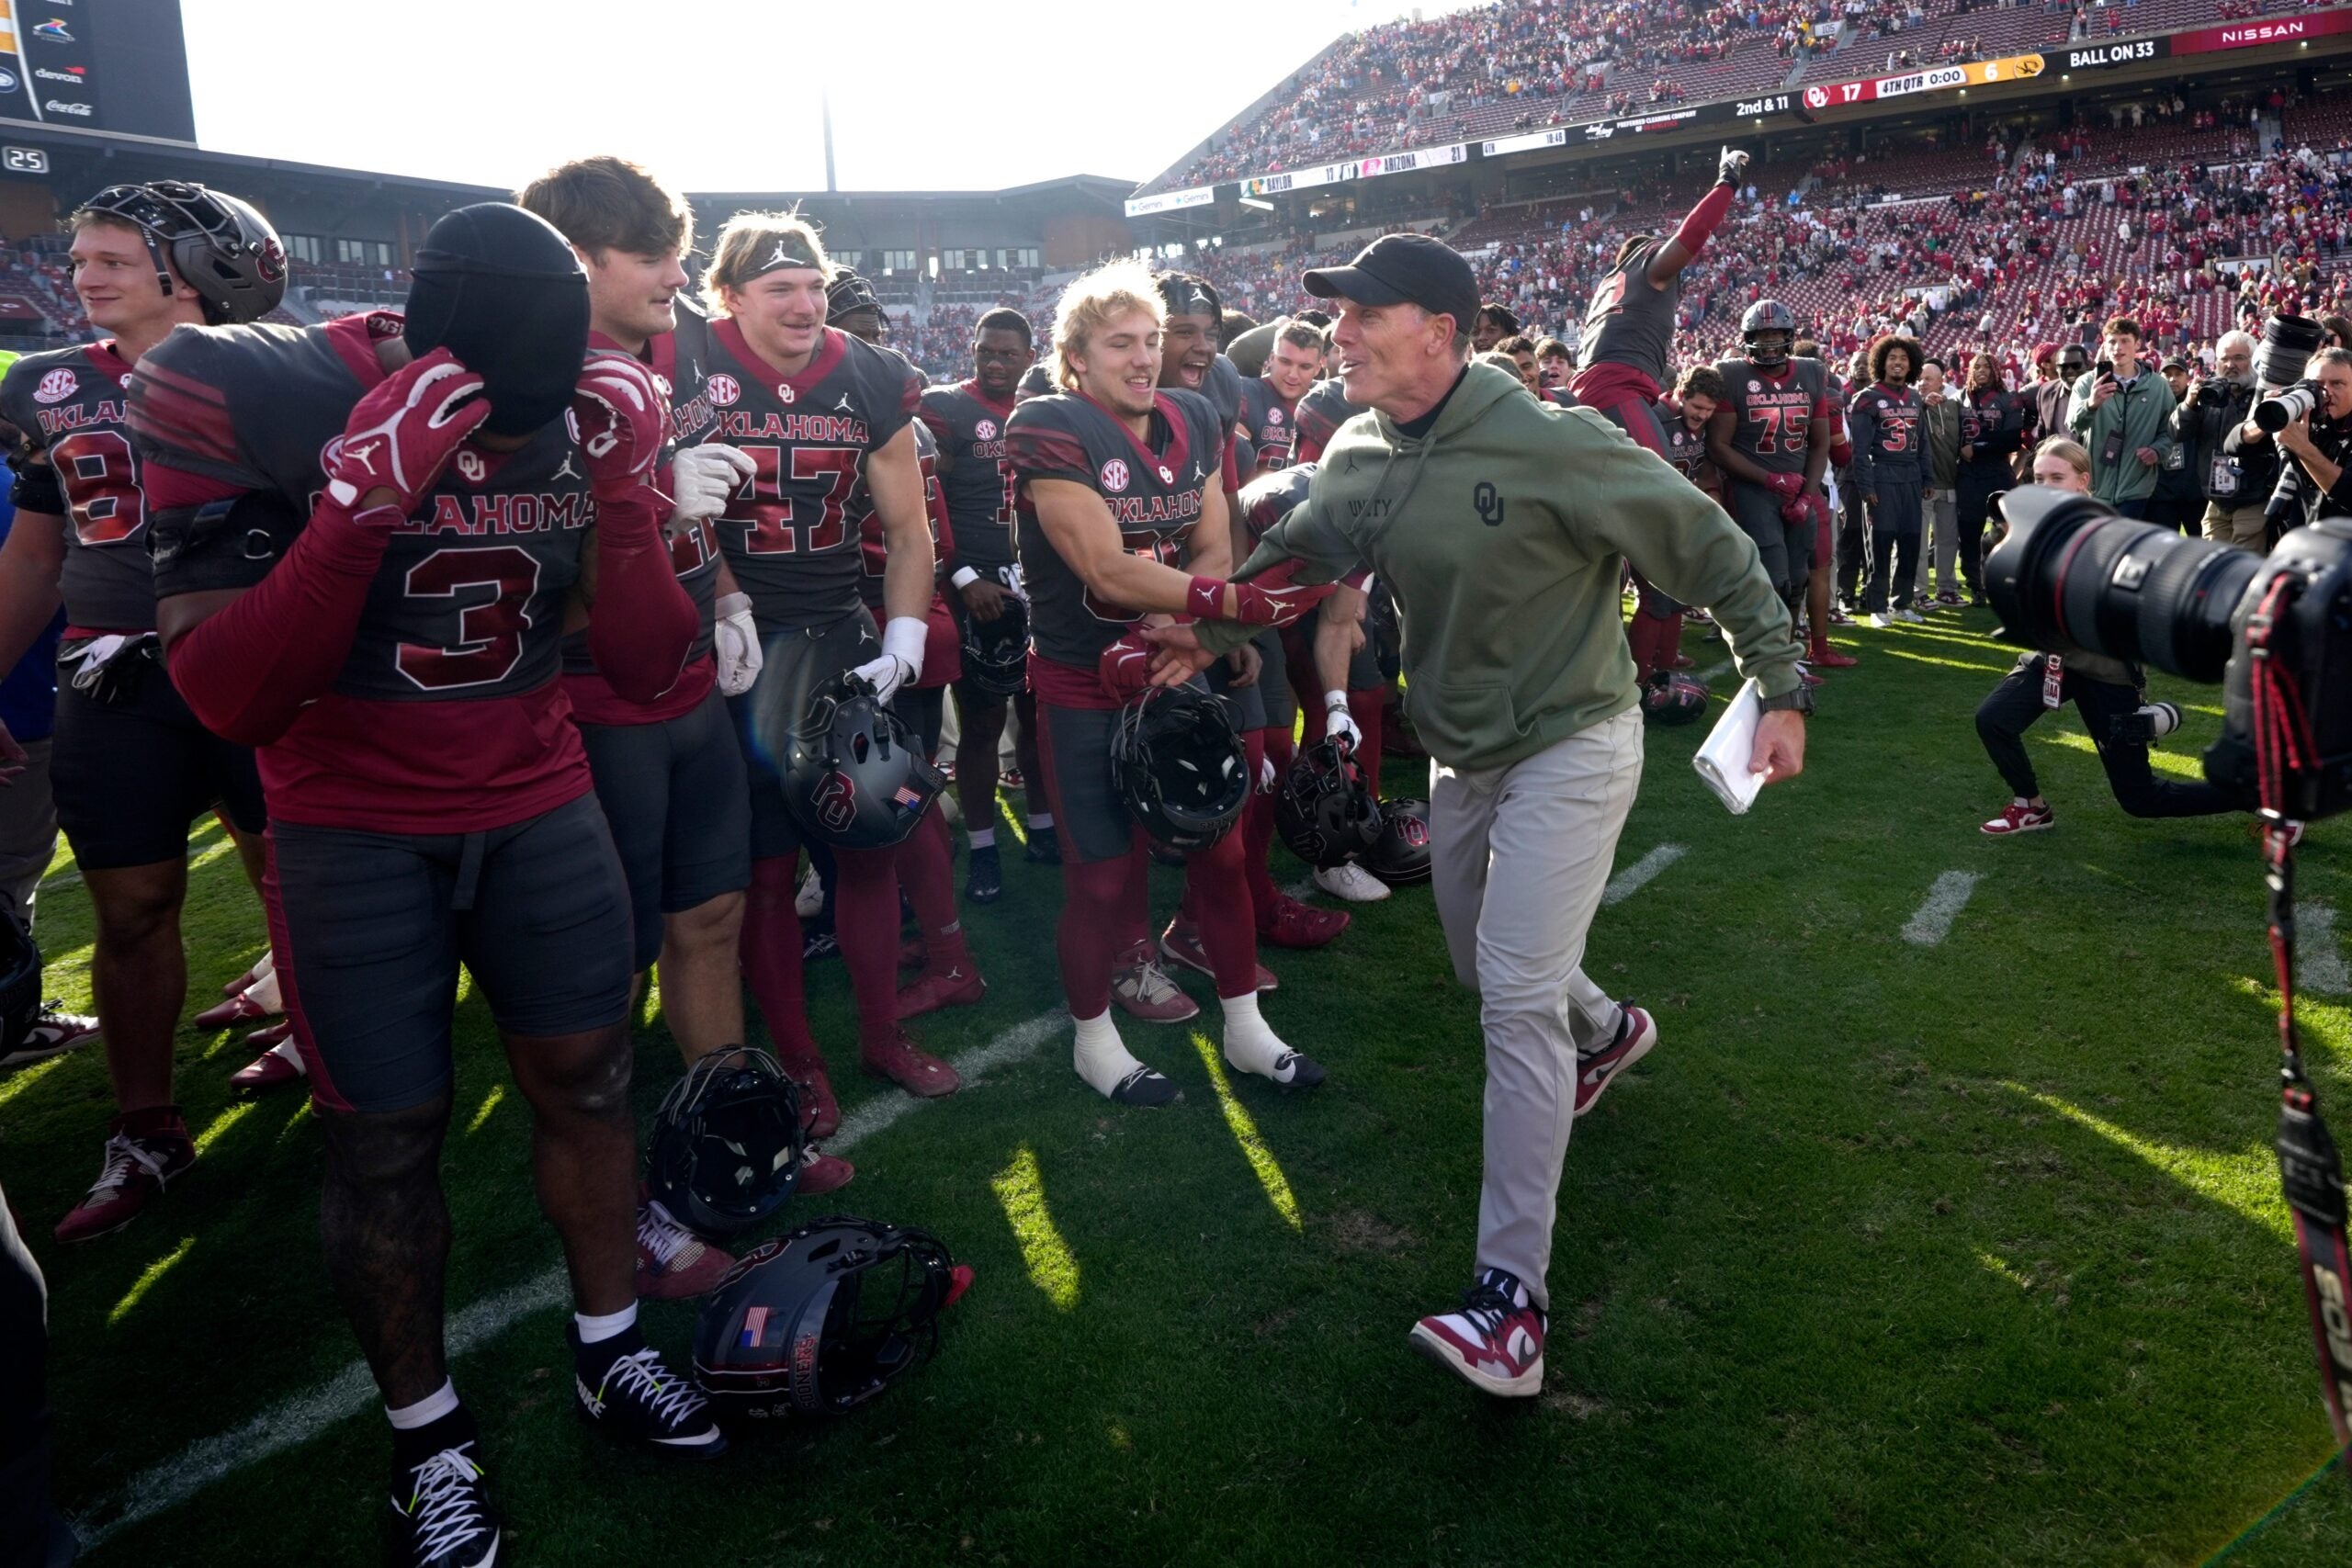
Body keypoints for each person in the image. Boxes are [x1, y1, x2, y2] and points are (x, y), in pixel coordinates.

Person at [129, 200, 721, 1564]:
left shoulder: (593, 395)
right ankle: (428, 1433)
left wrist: (627, 495)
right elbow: (225, 692)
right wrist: (353, 506)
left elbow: (641, 663)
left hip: (538, 790)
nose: (522, 436)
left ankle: (609, 1342)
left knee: (590, 1078)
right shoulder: (243, 380)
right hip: (350, 820)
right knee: (384, 1137)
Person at [1156, 232, 1809, 1399]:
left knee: (1510, 998)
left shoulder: (1559, 442)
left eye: (1364, 316)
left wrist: (1780, 683)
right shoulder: (1356, 448)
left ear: (1441, 334)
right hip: (1461, 757)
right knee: (1484, 969)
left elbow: (1708, 546)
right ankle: (1606, 1031)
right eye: (1336, 318)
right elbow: (1300, 560)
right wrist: (1196, 638)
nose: (1337, 337)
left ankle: (1511, 1305)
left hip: (1576, 739)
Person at [518, 158, 852, 1300]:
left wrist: (724, 596)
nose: (675, 274)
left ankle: (726, 1134)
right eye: (652, 254)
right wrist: (659, 502)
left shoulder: (660, 362)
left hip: (685, 691)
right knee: (597, 974)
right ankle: (630, 1202)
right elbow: (530, 573)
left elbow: (680, 517)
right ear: (580, 263)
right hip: (592, 699)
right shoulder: (522, 377)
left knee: (707, 916)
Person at [0, 182, 283, 1239]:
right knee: (130, 908)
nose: (84, 276)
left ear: (193, 268)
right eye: (78, 259)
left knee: (293, 884)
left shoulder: (285, 369)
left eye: (113, 257)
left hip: (254, 664)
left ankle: (339, 1065)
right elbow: (37, 554)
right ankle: (147, 1123)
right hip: (113, 676)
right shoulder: (46, 384)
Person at [1003, 260, 1321, 1106]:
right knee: (1100, 878)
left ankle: (1247, 1029)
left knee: (1219, 854)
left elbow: (1213, 539)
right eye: (1120, 344)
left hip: (1174, 668)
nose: (1143, 358)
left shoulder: (1196, 412)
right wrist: (1237, 605)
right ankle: (1093, 1038)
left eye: (1150, 340)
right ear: (1077, 357)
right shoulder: (1048, 424)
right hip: (1082, 681)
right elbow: (1106, 571)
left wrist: (1199, 634)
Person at [697, 211, 961, 1121]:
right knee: (766, 873)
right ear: (730, 296)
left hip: (834, 640)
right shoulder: (685, 360)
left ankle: (883, 1034)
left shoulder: (870, 372)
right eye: (781, 288)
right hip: (731, 654)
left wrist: (903, 638)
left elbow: (906, 530)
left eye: (814, 284)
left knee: (869, 852)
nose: (806, 303)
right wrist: (721, 594)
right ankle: (802, 1063)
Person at [826, 269, 992, 1024]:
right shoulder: (901, 414)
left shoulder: (892, 416)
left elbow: (919, 534)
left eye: (873, 327)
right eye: (852, 325)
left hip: (890, 619)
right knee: (886, 786)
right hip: (874, 616)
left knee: (904, 784)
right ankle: (911, 922)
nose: (869, 339)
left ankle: (930, 929)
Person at [1975, 438, 2242, 836]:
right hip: (2053, 660)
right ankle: (2030, 806)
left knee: (2140, 799)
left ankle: (2257, 796)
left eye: (2057, 478)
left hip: (2105, 668)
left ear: (2083, 481)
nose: (2044, 485)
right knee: (1993, 719)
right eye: (2038, 477)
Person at [918, 310, 1056, 905]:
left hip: (1043, 583)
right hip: (978, 580)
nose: (994, 363)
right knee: (980, 723)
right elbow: (925, 501)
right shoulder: (946, 406)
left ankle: (1045, 831)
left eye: (1007, 354)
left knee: (1042, 714)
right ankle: (982, 847)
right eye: (985, 352)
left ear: (1030, 355)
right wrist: (963, 573)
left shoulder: (1050, 409)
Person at [1569, 146, 1748, 452]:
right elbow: (1691, 234)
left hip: (1597, 384)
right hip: (1616, 386)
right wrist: (1726, 182)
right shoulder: (1648, 268)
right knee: (1661, 480)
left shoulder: (1609, 288)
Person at [1710, 300, 1835, 674]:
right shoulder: (1731, 375)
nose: (1767, 344)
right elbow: (1718, 446)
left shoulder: (1811, 373)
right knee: (1774, 577)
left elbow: (1820, 443)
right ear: (1748, 339)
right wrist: (1770, 479)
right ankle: (1771, 657)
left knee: (1798, 577)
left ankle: (1787, 652)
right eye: (1760, 337)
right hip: (1755, 488)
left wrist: (1807, 494)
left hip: (1799, 488)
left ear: (1788, 337)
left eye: (1775, 336)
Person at [1849, 334, 1929, 626]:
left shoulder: (1915, 397)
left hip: (1910, 477)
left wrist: (1927, 476)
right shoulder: (1866, 398)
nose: (1898, 362)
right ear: (1881, 362)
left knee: (1910, 543)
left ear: (1912, 365)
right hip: (1881, 475)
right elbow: (1859, 450)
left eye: (1903, 358)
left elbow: (1923, 443)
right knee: (1880, 544)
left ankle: (1902, 602)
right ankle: (1877, 607)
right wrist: (1866, 486)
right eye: (1892, 357)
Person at [2066, 315, 2175, 515]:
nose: (2118, 348)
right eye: (2112, 342)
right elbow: (2074, 425)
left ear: (2137, 344)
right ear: (2104, 346)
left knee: (2127, 545)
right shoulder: (2086, 383)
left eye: (2125, 340)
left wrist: (2158, 450)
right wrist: (2091, 405)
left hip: (2137, 488)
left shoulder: (2158, 386)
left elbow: (2171, 431)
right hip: (2094, 488)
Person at [2184, 330, 2274, 549]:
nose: (2230, 364)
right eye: (2224, 358)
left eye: (2239, 358)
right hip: (2216, 499)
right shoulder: (2208, 393)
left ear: (2253, 360)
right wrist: (2188, 405)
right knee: (2214, 563)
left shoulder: (2266, 394)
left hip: (2254, 496)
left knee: (2245, 565)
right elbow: (2179, 433)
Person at [1956, 352, 2027, 604]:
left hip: (1997, 470)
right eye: (1977, 367)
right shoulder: (1960, 398)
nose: (1981, 371)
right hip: (1968, 474)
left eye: (1987, 366)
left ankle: (2007, 580)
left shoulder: (2009, 399)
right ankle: (1976, 586)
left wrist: (1978, 447)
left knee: (2009, 528)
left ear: (1996, 370)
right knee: (1969, 530)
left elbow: (2012, 439)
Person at [2263, 344, 2352, 532]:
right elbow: (2234, 446)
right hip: (2306, 538)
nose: (2326, 392)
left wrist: (2303, 448)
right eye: (2317, 385)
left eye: (2337, 383)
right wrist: (2271, 412)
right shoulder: (2306, 420)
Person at [1238, 318, 1323, 474]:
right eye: (1285, 362)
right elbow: (1232, 461)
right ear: (1271, 358)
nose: (1292, 375)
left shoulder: (1324, 399)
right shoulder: (1246, 393)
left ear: (1318, 369)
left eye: (1305, 367)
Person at [1915, 356, 1963, 607]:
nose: (1922, 383)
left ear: (1941, 381)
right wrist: (1922, 404)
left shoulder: (1955, 403)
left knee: (1947, 541)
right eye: (1920, 378)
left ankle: (1946, 589)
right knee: (1920, 542)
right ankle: (1919, 592)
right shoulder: (1913, 403)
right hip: (1923, 484)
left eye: (1928, 379)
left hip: (1949, 482)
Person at [2149, 356, 2203, 535]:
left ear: (2187, 377)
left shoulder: (2202, 401)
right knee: (2165, 550)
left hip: (2195, 492)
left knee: (2204, 549)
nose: (2172, 379)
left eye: (2178, 374)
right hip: (2162, 493)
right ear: (2159, 376)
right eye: (2167, 374)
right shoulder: (2149, 403)